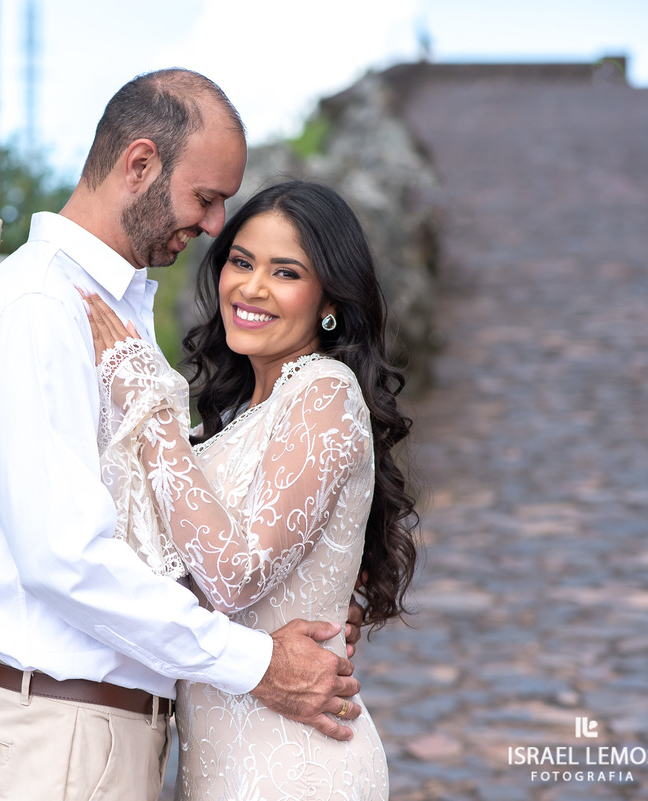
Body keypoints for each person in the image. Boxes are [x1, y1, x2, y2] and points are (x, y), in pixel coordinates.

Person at [0, 71, 365, 801]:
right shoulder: (42, 308)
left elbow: (158, 530)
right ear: (140, 165)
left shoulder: (118, 311)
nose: (213, 226)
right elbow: (65, 558)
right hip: (60, 738)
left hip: (107, 733)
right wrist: (255, 660)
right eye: (206, 198)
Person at [81, 179, 419, 799]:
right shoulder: (237, 416)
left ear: (329, 301)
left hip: (295, 765)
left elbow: (233, 576)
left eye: (285, 272)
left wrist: (149, 413)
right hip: (221, 762)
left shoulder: (325, 391)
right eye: (242, 261)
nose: (252, 288)